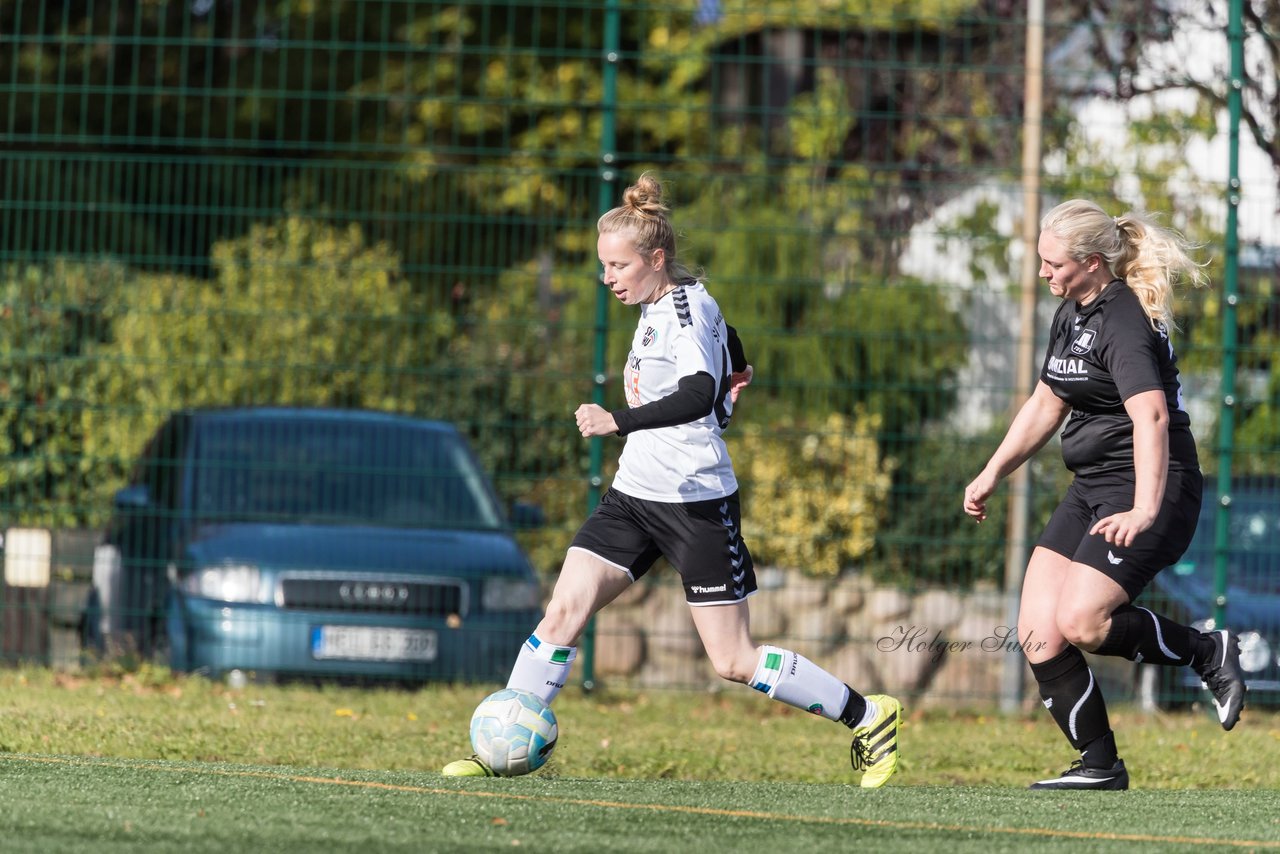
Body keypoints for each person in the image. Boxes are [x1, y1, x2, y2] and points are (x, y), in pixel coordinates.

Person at [443, 173, 904, 788]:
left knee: (734, 661)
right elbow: (728, 348)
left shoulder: (682, 312)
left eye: (618, 265)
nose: (608, 277)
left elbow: (696, 391)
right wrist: (739, 366)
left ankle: (870, 716)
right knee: (562, 614)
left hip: (696, 503)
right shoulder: (673, 298)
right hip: (634, 498)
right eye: (603, 264)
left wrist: (620, 420)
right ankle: (503, 739)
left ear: (655, 260)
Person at [963, 199, 1246, 791]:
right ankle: (1099, 766)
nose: (1043, 273)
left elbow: (1152, 420)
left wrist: (1144, 508)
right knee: (1040, 631)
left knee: (1084, 621)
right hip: (1094, 487)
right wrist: (992, 472)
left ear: (1092, 263)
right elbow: (1047, 402)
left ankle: (1205, 651)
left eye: (1054, 263)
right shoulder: (1072, 311)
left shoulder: (1122, 321)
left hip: (1154, 487)